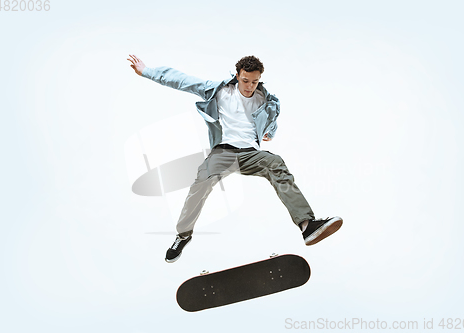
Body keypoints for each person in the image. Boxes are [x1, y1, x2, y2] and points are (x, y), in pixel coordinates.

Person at [127, 54, 343, 263]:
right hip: (223, 152)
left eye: (255, 82)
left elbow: (272, 124)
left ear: (260, 79)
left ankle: (307, 225)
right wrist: (146, 71)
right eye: (245, 80)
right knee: (201, 184)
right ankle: (183, 235)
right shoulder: (219, 90)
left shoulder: (267, 101)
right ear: (237, 75)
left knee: (276, 163)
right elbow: (182, 80)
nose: (249, 86)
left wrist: (269, 132)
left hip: (250, 154)